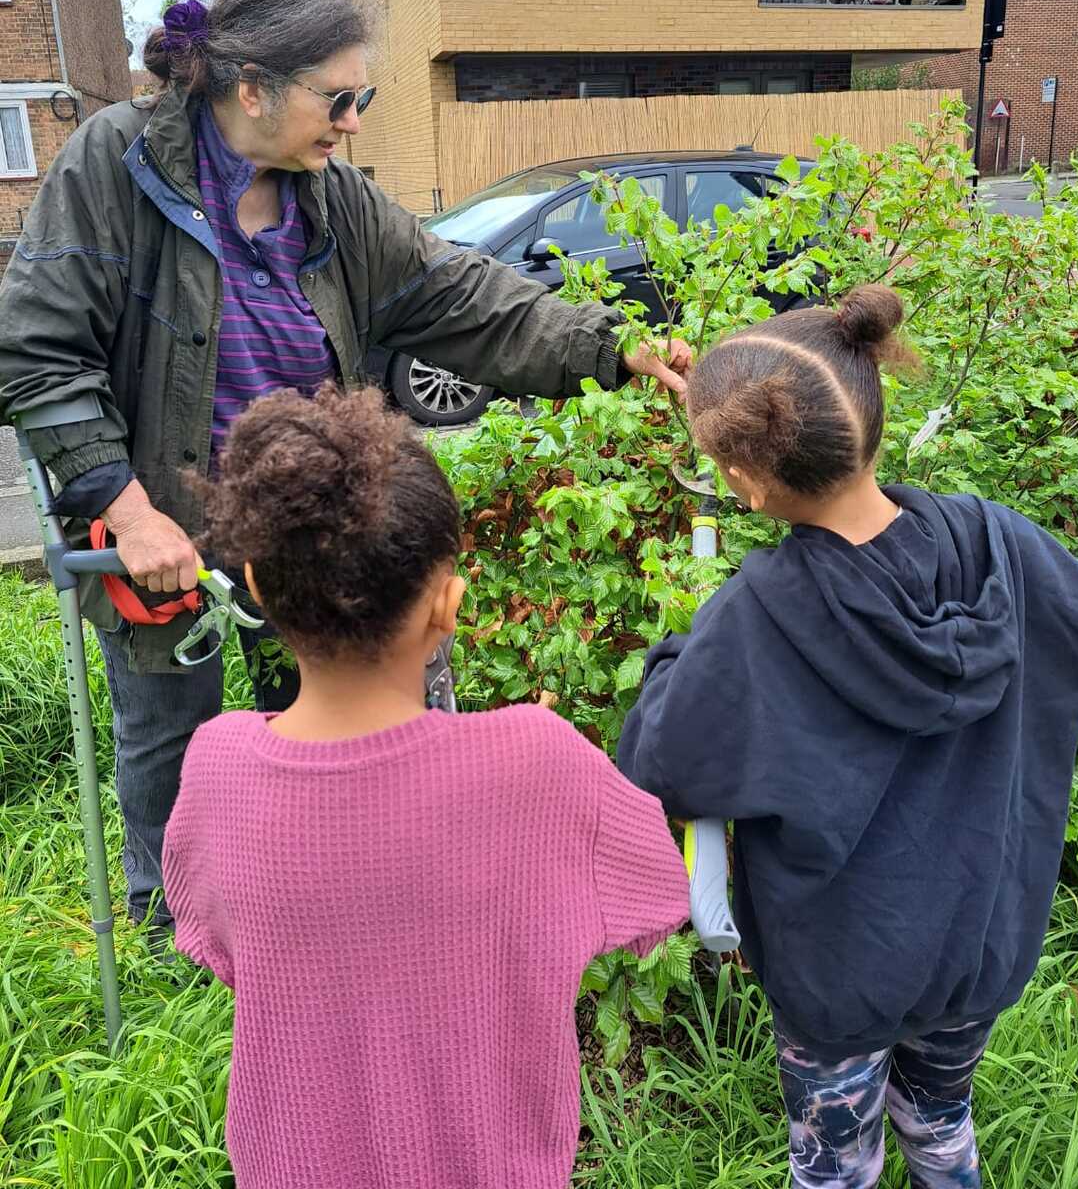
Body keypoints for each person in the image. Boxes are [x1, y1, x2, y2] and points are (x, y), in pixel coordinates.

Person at [0, 0, 690, 936]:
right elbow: (39, 352)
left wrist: (612, 346)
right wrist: (126, 507)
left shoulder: (331, 194)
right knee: (167, 730)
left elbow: (460, 295)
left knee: (331, 716)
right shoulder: (116, 168)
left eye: (360, 95)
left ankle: (336, 899)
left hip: (315, 516)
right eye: (340, 95)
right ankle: (174, 930)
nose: (355, 118)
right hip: (167, 528)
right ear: (251, 88)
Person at [618, 284, 1078, 1189]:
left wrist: (674, 658)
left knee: (835, 1164)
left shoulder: (756, 619)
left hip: (839, 981)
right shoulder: (999, 547)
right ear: (869, 414)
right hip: (981, 945)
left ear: (745, 484)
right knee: (941, 1125)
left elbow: (661, 762)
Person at [161, 383, 689, 1189]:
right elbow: (655, 888)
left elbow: (222, 942)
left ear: (258, 589)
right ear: (448, 604)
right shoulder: (537, 760)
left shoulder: (217, 765)